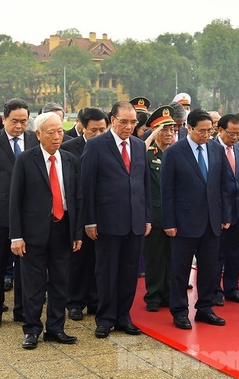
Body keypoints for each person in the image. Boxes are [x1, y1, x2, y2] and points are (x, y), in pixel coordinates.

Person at [10, 112, 83, 349]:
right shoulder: (25, 159)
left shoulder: (71, 160)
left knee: (61, 281)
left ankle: (55, 328)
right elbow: (15, 200)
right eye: (51, 132)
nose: (57, 136)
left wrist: (77, 233)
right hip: (33, 232)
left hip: (63, 229)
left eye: (60, 131)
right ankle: (32, 329)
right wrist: (16, 236)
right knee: (34, 284)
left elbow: (76, 198)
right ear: (38, 134)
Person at [81, 101, 152, 339]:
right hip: (107, 221)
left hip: (135, 220)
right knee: (106, 271)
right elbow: (87, 186)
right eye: (124, 122)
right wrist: (90, 221)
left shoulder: (139, 146)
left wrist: (147, 217)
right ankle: (105, 318)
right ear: (112, 120)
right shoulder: (96, 146)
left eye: (133, 122)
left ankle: (124, 317)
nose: (129, 126)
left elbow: (145, 185)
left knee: (129, 272)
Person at [161, 108, 231, 330]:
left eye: (210, 131)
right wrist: (169, 222)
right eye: (202, 131)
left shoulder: (216, 149)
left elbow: (224, 185)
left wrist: (225, 215)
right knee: (180, 270)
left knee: (210, 268)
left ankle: (205, 308)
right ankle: (180, 311)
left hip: (212, 220)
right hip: (184, 222)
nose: (207, 135)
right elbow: (167, 191)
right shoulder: (174, 152)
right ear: (189, 128)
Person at [0, 99, 38, 329]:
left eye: (24, 121)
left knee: (25, 266)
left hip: (28, 214)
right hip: (0, 214)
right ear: (4, 120)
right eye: (15, 121)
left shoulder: (33, 139)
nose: (20, 126)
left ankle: (22, 309)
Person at [60, 107, 108, 321]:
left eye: (102, 130)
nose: (98, 134)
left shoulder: (110, 147)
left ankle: (96, 300)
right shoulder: (69, 148)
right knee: (78, 260)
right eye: (93, 130)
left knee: (100, 259)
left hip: (103, 211)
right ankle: (75, 302)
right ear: (82, 127)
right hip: (78, 213)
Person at [214, 114, 239, 306]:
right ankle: (214, 290)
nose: (236, 137)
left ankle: (232, 288)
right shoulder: (211, 149)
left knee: (235, 253)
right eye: (232, 133)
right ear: (220, 130)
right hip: (220, 211)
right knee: (216, 254)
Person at [142, 105, 176, 311]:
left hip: (174, 215)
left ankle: (169, 294)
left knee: (173, 258)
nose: (170, 133)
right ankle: (153, 295)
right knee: (154, 258)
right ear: (155, 132)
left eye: (172, 129)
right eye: (164, 129)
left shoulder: (176, 153)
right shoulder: (147, 153)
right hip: (154, 215)